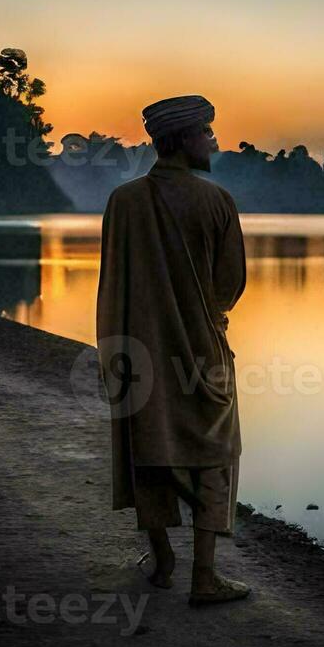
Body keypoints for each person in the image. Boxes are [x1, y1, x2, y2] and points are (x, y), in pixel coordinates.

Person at [95, 94, 250, 605]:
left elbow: (112, 281)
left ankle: (162, 559)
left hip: (135, 350)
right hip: (201, 351)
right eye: (207, 132)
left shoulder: (123, 202)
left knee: (150, 448)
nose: (214, 141)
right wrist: (208, 315)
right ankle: (203, 577)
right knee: (215, 453)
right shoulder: (217, 202)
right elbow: (230, 285)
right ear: (184, 139)